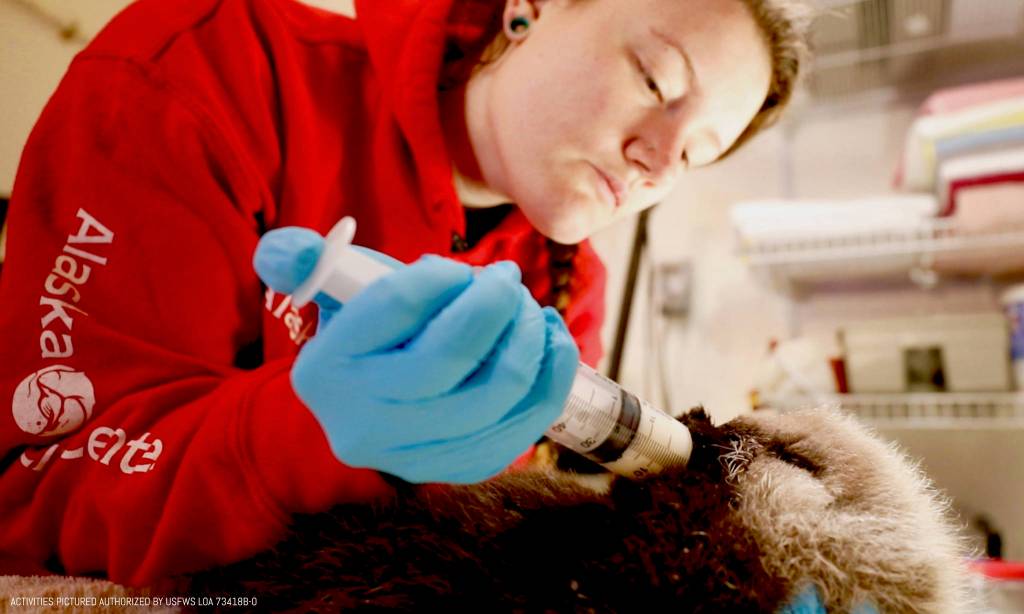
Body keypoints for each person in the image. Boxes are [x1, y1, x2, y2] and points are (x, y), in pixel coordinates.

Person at [0, 0, 809, 592]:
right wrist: (301, 435)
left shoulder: (568, 288)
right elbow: (42, 492)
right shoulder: (213, 67)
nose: (656, 163)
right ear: (529, 7)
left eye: (699, 155)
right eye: (654, 77)